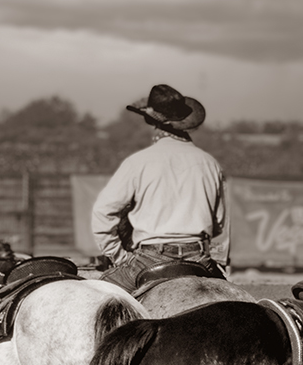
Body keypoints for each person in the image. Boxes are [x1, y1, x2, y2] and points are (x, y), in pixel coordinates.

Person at [92, 84, 230, 291]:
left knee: (97, 296)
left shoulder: (138, 162)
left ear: (153, 124)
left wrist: (119, 256)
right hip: (198, 259)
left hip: (150, 259)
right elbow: (219, 225)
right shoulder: (209, 163)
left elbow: (103, 212)